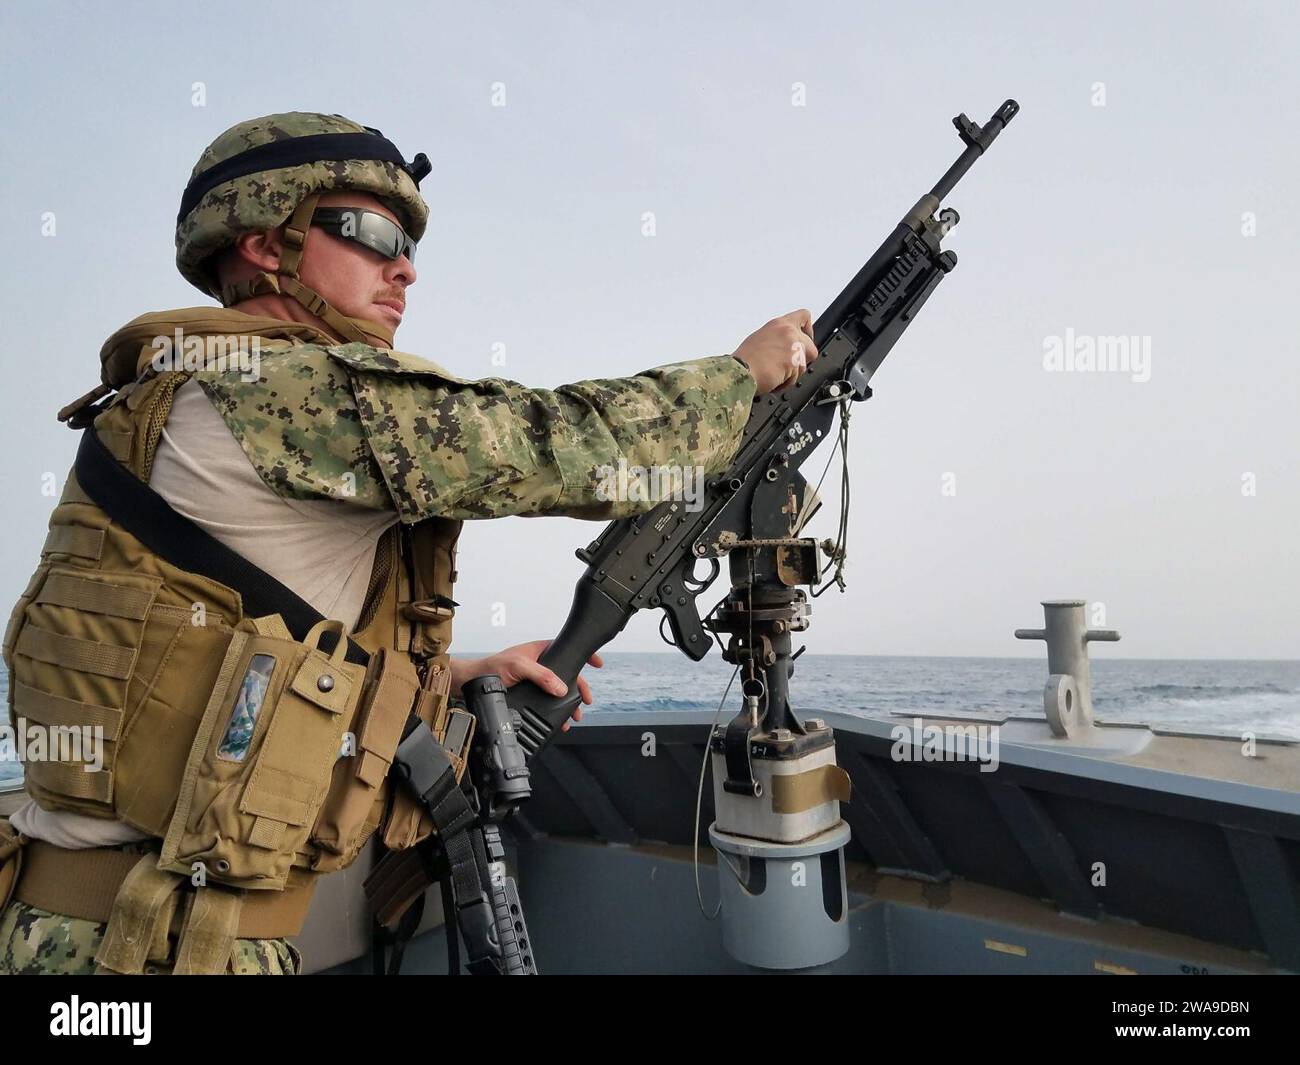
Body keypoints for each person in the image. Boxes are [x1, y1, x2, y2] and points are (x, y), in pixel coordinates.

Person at [0, 111, 817, 974]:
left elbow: (227, 641)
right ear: (260, 244)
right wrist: (739, 377)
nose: (406, 268)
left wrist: (456, 676)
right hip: (150, 946)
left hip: (95, 931)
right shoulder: (285, 392)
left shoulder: (188, 392)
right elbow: (561, 445)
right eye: (372, 233)